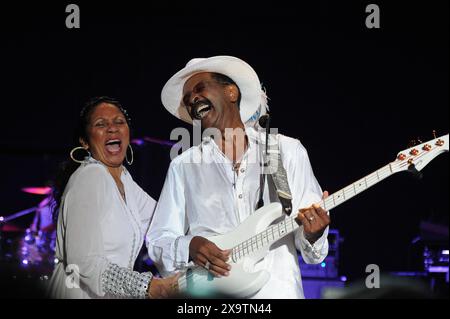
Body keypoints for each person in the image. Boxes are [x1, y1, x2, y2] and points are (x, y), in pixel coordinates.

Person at [146, 56, 331, 298]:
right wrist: (190, 246)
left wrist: (313, 233)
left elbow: (313, 253)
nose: (192, 99)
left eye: (200, 88)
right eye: (187, 99)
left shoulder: (284, 151)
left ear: (231, 92)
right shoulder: (183, 166)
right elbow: (159, 240)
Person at [47, 96, 178, 298]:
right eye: (101, 124)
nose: (112, 128)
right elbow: (83, 261)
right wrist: (147, 286)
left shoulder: (125, 179)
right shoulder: (90, 177)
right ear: (85, 141)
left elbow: (163, 221)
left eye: (119, 122)